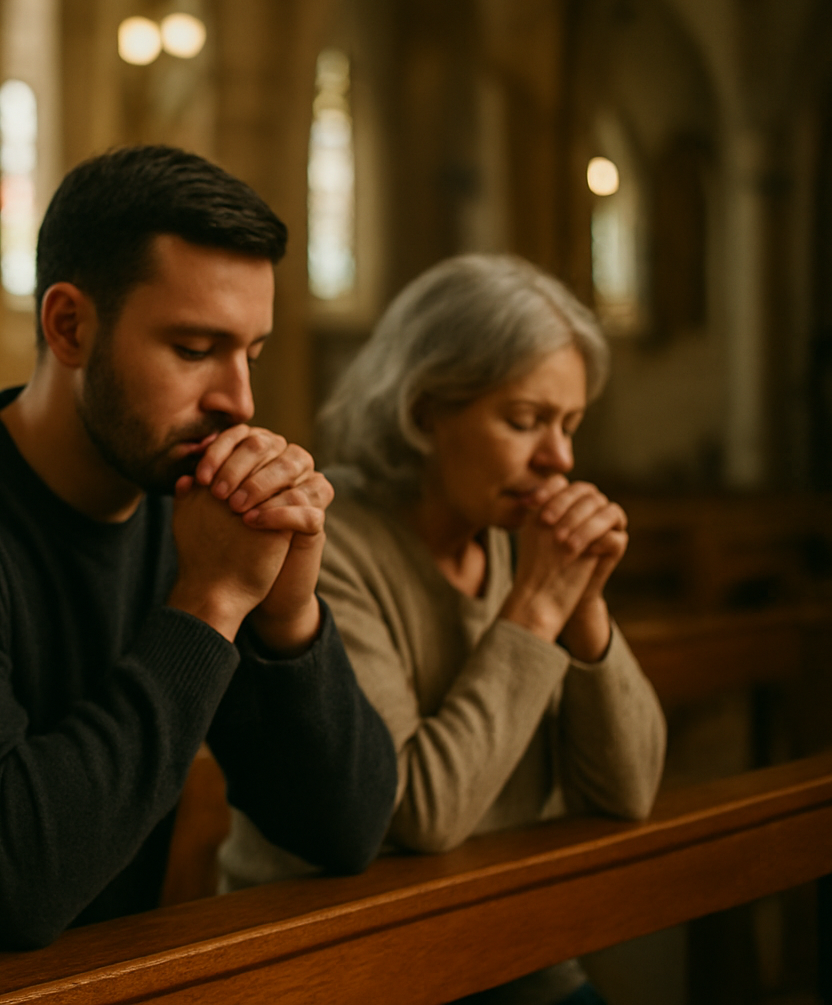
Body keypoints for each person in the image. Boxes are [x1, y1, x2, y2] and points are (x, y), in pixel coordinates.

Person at [0, 144, 397, 957]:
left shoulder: (195, 510)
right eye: (193, 350)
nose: (240, 401)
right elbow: (0, 891)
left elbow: (343, 828)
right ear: (69, 325)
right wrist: (211, 606)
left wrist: (289, 614)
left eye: (250, 353)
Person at [221, 253, 666, 1005]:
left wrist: (582, 600)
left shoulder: (512, 537)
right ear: (425, 412)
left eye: (570, 424)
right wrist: (535, 610)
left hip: (502, 940)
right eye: (525, 422)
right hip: (338, 956)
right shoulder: (326, 547)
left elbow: (629, 790)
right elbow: (419, 812)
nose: (560, 459)